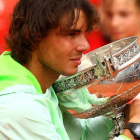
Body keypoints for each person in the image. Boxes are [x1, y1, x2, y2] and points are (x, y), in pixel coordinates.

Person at [0, 0, 140, 140]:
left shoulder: (43, 81)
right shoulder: (19, 104)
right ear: (34, 35)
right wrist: (134, 130)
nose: (85, 46)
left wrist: (128, 114)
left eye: (84, 34)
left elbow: (82, 135)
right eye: (71, 34)